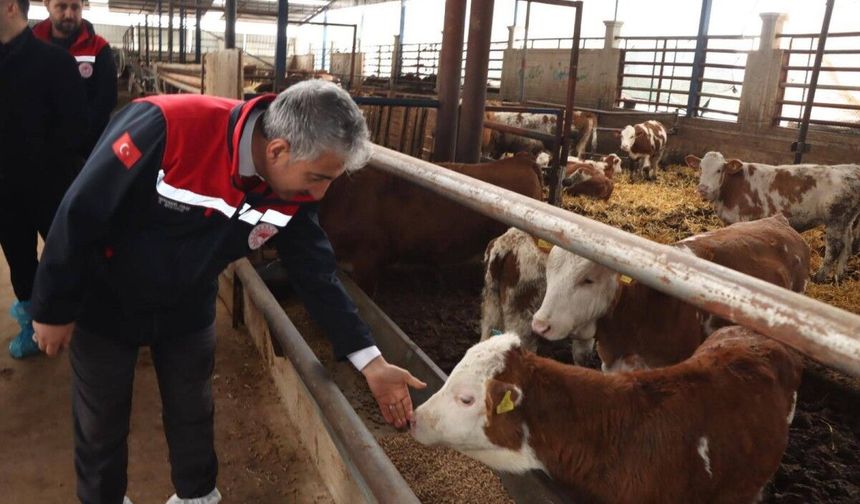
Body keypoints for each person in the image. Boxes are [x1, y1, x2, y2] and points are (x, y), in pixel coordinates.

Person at [30, 79, 427, 504]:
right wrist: (53, 307)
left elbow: (315, 271)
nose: (319, 194)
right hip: (108, 298)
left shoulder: (296, 191)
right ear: (277, 150)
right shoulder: (166, 126)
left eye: (329, 180)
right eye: (317, 178)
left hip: (187, 304)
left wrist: (371, 361)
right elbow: (81, 210)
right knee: (101, 423)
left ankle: (196, 497)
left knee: (193, 411)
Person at [0, 0, 87, 359]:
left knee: (71, 256)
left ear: (8, 7)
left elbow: (77, 130)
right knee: (20, 262)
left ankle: (88, 325)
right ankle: (31, 326)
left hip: (53, 188)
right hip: (5, 191)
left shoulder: (54, 63)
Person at [33, 0, 117, 157]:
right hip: (38, 147)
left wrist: (79, 134)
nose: (69, 14)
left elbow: (107, 99)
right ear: (46, 4)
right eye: (62, 6)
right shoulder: (31, 44)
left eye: (75, 7)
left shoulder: (99, 48)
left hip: (85, 149)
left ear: (83, 5)